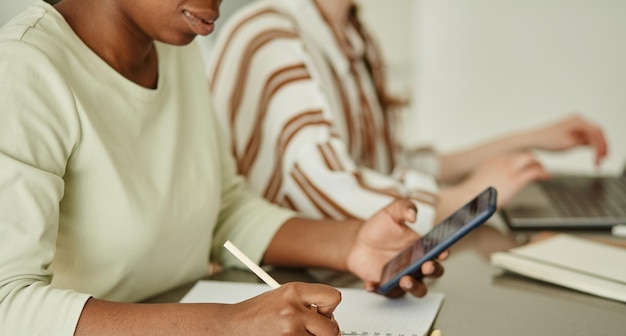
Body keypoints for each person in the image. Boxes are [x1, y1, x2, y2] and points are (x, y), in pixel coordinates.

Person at [0, 0, 447, 336]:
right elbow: (7, 310)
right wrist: (224, 330)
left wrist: (352, 244)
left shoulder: (177, 44)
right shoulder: (24, 68)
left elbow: (222, 207)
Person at [206, 0, 609, 235]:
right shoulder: (270, 34)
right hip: (273, 280)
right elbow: (326, 190)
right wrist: (467, 199)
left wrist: (527, 138)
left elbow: (385, 165)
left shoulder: (353, 37)